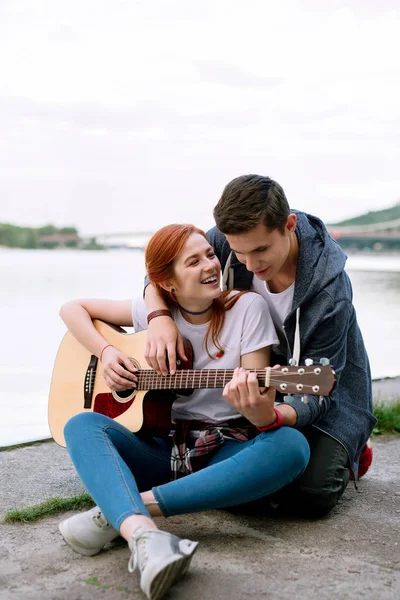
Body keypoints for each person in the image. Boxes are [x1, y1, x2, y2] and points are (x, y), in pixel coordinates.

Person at [58, 223, 310, 600]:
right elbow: (71, 309)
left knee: (291, 446)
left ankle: (123, 511)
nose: (210, 265)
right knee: (80, 424)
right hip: (162, 447)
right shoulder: (151, 314)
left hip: (224, 448)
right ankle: (146, 537)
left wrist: (256, 403)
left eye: (209, 254)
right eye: (193, 262)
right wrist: (107, 352)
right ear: (169, 284)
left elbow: (259, 400)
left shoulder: (247, 308)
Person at [144, 175, 376, 519]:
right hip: (258, 379)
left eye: (260, 250)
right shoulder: (225, 240)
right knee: (258, 485)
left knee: (312, 497)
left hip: (320, 384)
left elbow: (321, 390)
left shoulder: (331, 291)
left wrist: (273, 416)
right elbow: (159, 272)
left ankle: (353, 448)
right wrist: (159, 316)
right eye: (239, 253)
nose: (249, 265)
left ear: (289, 225)